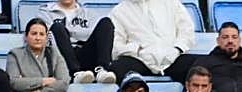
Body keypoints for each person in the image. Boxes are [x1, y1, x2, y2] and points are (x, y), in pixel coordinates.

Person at [52, 0, 195, 85]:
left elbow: (187, 30)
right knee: (116, 69)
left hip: (173, 57)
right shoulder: (119, 11)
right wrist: (137, 50)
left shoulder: (172, 3)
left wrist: (177, 49)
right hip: (140, 59)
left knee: (204, 65)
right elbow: (115, 45)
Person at [43, 0, 116, 84]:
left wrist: (69, 32)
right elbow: (47, 38)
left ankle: (102, 70)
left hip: (84, 52)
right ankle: (75, 74)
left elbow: (97, 36)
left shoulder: (88, 13)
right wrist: (78, 33)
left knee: (106, 22)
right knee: (57, 27)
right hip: (63, 57)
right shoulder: (45, 13)